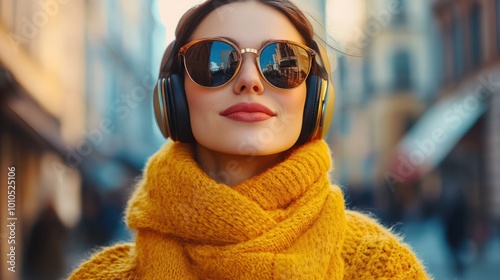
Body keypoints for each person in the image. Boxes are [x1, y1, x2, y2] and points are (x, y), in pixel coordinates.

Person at [69, 0, 430, 279]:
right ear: (174, 95)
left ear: (316, 98)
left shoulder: (380, 268)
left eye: (281, 62)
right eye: (215, 59)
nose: (249, 81)